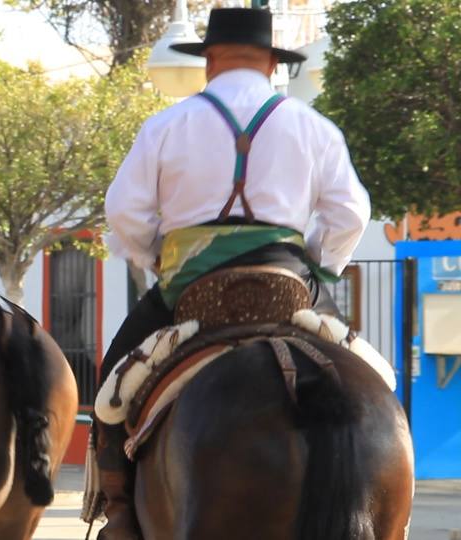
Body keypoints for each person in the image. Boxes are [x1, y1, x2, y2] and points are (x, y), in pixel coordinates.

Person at [94, 8, 370, 539]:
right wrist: (320, 267)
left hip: (191, 289)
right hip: (289, 284)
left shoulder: (167, 125)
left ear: (209, 62)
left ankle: (121, 512)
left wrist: (156, 257)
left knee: (114, 387)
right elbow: (350, 216)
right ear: (270, 63)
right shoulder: (313, 126)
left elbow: (125, 213)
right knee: (370, 374)